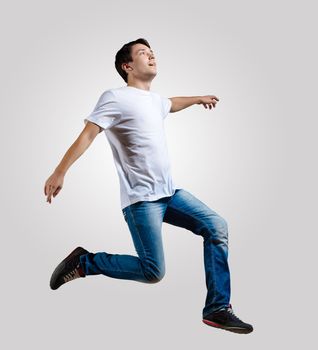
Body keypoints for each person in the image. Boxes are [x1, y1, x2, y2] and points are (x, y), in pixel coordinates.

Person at [44, 38, 253, 334]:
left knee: (217, 227)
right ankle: (85, 262)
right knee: (153, 272)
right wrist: (59, 171)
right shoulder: (114, 97)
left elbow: (171, 103)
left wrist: (196, 99)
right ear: (127, 66)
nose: (151, 55)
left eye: (152, 52)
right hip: (141, 200)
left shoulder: (155, 100)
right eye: (143, 53)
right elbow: (88, 135)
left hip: (171, 194)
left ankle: (218, 308)